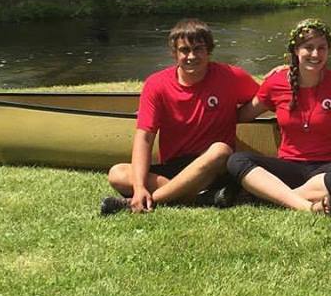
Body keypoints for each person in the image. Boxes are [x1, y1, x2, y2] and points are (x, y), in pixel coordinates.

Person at [226, 18, 331, 216]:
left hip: (329, 168)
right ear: (295, 50)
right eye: (308, 47)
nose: (315, 54)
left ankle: (278, 197)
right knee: (237, 161)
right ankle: (306, 205)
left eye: (322, 48)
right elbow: (243, 114)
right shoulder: (276, 83)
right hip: (289, 167)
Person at [102, 18, 259, 215]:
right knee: (117, 173)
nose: (191, 56)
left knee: (220, 150)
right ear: (174, 53)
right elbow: (145, 137)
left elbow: (264, 96)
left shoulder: (231, 76)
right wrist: (140, 185)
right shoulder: (156, 84)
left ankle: (151, 200)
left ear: (209, 50)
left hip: (215, 167)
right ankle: (203, 198)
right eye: (184, 50)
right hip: (175, 165)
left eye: (198, 49)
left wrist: (278, 76)